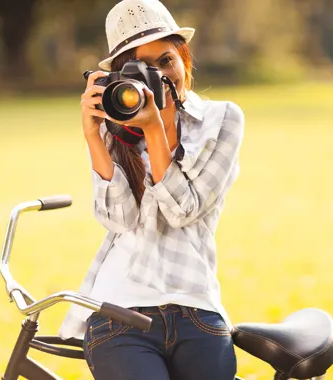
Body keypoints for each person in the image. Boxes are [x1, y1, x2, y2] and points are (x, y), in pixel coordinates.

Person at [57, 1, 244, 379]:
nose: (158, 75)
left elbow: (182, 210)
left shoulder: (223, 120)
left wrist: (155, 129)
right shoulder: (116, 124)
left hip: (197, 308)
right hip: (120, 312)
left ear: (185, 58)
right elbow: (119, 219)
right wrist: (94, 136)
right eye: (141, 68)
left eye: (166, 60)